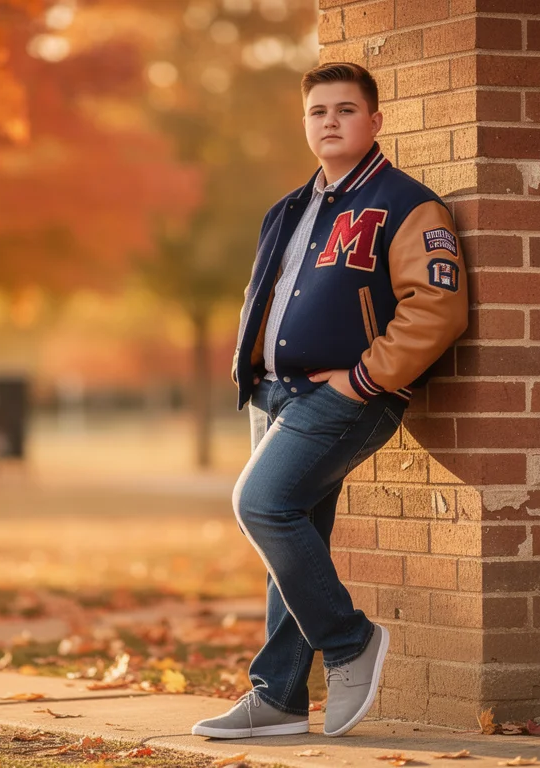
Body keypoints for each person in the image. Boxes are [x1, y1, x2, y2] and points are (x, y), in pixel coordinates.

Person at [191, 62, 469, 740]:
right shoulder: (288, 209)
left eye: (346, 110)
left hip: (350, 393)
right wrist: (251, 372)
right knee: (291, 537)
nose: (331, 122)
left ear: (375, 121)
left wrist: (366, 377)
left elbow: (437, 306)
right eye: (319, 111)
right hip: (274, 394)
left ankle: (349, 641)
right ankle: (279, 698)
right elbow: (267, 296)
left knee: (259, 505)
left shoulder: (409, 205)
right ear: (306, 122)